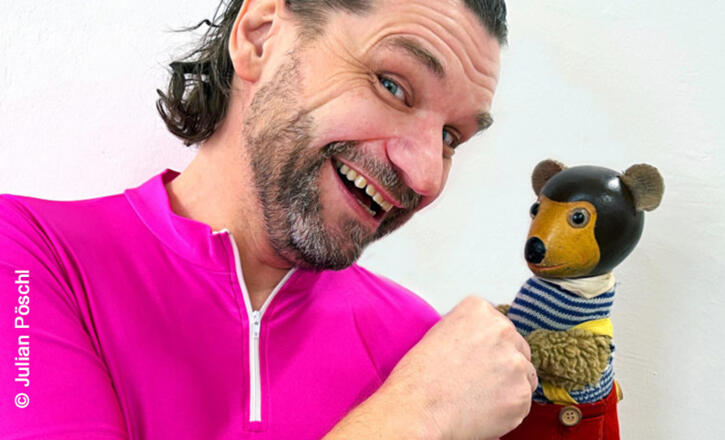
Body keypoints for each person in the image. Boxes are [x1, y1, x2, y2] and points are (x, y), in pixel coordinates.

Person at [0, 0, 537, 438]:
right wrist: (419, 413)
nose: (424, 176)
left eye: (450, 138)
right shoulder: (29, 256)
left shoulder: (424, 344)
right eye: (392, 85)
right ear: (259, 37)